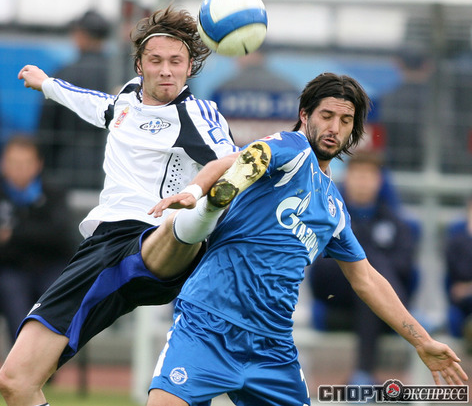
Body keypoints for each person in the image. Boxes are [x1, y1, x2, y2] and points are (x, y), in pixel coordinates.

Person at [146, 72, 468, 405]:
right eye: (326, 116)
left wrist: (421, 341)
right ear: (304, 115)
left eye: (345, 121)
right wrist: (195, 191)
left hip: (272, 347)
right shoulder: (292, 148)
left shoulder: (334, 209)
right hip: (208, 327)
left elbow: (367, 280)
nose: (334, 128)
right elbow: (238, 160)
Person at [0, 5, 238, 406]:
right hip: (102, 247)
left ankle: (191, 229)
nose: (166, 70)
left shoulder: (196, 113)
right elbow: (99, 106)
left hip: (153, 235)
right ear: (140, 65)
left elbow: (235, 160)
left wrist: (195, 193)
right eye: (156, 60)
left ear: (190, 67)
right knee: (15, 382)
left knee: (177, 228)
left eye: (176, 61)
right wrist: (48, 85)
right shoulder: (127, 97)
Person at [308, 150, 418, 385]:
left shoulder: (396, 222)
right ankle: (407, 318)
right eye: (358, 175)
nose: (362, 182)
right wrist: (361, 263)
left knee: (369, 283)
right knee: (366, 266)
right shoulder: (329, 216)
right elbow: (320, 269)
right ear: (347, 178)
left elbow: (406, 266)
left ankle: (363, 376)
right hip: (336, 298)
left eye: (369, 176)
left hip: (371, 305)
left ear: (379, 181)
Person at [0, 134, 74, 344]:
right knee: (13, 295)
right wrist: (33, 235)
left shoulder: (54, 192)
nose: (19, 169)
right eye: (13, 162)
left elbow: (59, 235)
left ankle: (50, 358)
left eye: (25, 163)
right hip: (10, 270)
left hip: (50, 268)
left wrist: (13, 234)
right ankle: (22, 357)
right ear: (3, 163)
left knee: (56, 300)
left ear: (38, 164)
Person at [38, 9, 112, 190]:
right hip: (110, 168)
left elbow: (46, 129)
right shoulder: (119, 75)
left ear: (81, 36)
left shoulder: (62, 75)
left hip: (66, 168)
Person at [445, 195, 472, 351]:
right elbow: (458, 274)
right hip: (463, 304)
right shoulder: (457, 239)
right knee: (454, 318)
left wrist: (467, 288)